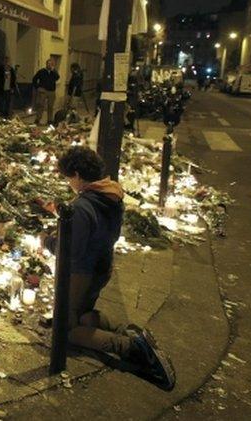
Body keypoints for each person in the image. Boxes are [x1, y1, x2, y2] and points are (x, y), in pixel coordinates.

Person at [48, 146, 176, 390]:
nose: (69, 183)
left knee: (65, 329)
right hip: (102, 265)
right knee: (84, 310)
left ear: (76, 174)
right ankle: (127, 331)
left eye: (68, 178)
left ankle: (129, 347)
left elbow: (70, 249)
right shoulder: (111, 194)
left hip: (81, 272)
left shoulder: (83, 207)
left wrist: (48, 241)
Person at [31, 58, 60, 125]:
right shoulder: (42, 71)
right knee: (41, 105)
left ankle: (50, 120)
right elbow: (34, 79)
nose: (50, 65)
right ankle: (38, 119)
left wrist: (54, 70)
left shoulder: (54, 72)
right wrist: (37, 87)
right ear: (46, 64)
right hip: (43, 90)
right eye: (48, 64)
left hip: (51, 91)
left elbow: (57, 77)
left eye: (51, 64)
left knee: (50, 106)